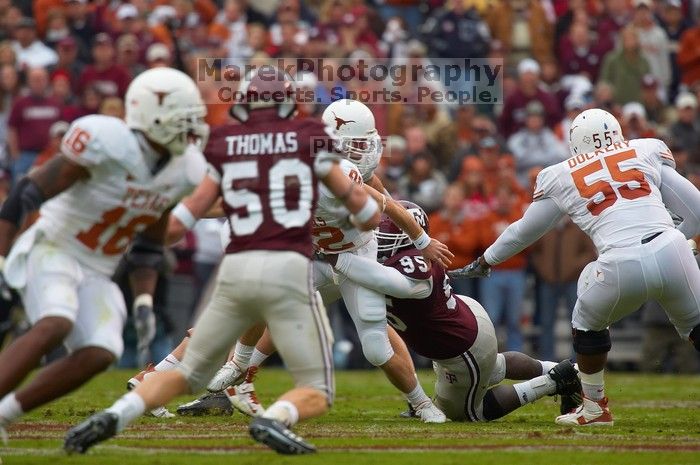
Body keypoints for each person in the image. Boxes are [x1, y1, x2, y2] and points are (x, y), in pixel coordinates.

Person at [64, 66, 381, 455]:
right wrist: (364, 210)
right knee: (316, 389)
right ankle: (274, 419)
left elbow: (182, 221)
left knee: (187, 374)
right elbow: (366, 214)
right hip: (287, 268)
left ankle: (117, 414)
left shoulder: (225, 141)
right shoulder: (309, 137)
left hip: (235, 269)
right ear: (288, 102)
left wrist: (133, 229)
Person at [140, 99, 453, 424]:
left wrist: (422, 241)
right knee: (247, 307)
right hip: (309, 256)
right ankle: (232, 371)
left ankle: (420, 403)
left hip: (352, 257)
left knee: (372, 341)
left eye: (366, 142)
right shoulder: (301, 171)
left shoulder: (347, 173)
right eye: (357, 144)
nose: (366, 151)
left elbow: (385, 208)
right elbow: (233, 201)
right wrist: (185, 213)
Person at [450, 108, 700, 426]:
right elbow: (696, 211)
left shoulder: (562, 173)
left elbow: (525, 230)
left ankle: (595, 406)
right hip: (671, 247)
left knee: (586, 322)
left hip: (620, 262)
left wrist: (487, 260)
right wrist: (672, 244)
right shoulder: (644, 149)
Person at [0, 67, 210, 437]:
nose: (191, 130)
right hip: (54, 247)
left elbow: (148, 243)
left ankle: (5, 413)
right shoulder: (106, 140)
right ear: (152, 116)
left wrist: (143, 299)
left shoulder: (185, 170)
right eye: (183, 119)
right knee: (57, 321)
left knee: (102, 350)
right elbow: (26, 193)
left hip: (98, 267)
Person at [326, 201, 582, 421]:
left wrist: (337, 258)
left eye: (383, 232)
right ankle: (568, 369)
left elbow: (385, 280)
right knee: (493, 367)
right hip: (462, 319)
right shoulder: (406, 254)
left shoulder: (412, 262)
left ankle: (553, 381)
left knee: (468, 413)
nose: (377, 236)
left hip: (459, 343)